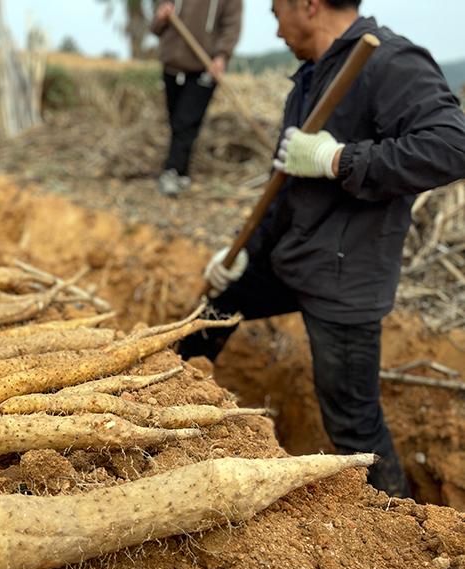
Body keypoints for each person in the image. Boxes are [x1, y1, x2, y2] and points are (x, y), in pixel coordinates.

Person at [176, 0, 465, 498]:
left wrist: (339, 159)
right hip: (296, 254)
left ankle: (400, 522)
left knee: (353, 424)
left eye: (275, 11)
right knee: (215, 308)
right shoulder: (312, 76)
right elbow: (285, 185)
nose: (273, 25)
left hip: (346, 277)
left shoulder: (389, 62)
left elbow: (451, 146)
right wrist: (242, 253)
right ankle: (172, 399)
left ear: (308, 6)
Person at [150, 0, 243, 197]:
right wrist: (161, 16)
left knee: (186, 120)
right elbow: (155, 28)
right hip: (172, 66)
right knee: (176, 121)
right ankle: (182, 172)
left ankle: (172, 171)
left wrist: (222, 55)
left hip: (204, 68)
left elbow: (232, 25)